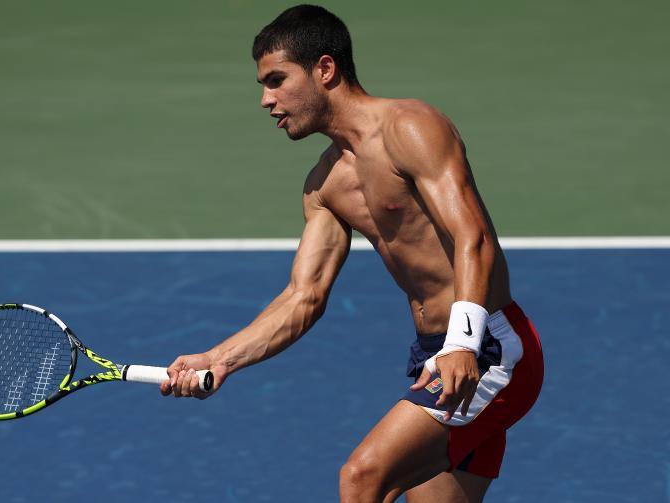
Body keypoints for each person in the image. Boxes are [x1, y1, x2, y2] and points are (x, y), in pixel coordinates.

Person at [160, 5, 543, 502]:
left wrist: (462, 344)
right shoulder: (323, 185)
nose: (265, 100)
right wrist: (219, 358)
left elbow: (473, 236)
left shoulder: (411, 127)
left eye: (277, 80)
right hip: (435, 355)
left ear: (324, 69)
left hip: (488, 347)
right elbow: (303, 297)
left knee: (363, 478)